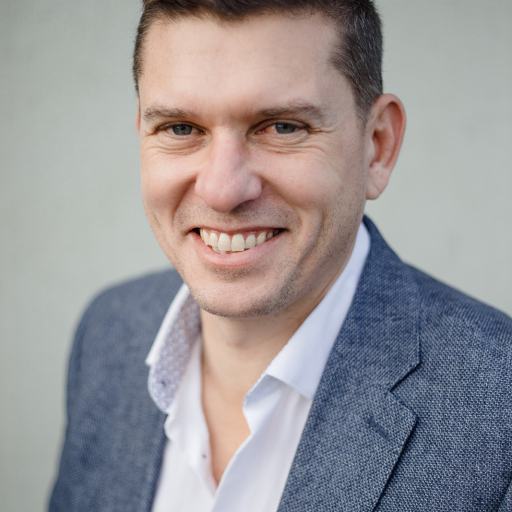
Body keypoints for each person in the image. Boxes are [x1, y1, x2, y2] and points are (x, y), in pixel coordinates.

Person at [49, 1, 512, 511]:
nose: (223, 190)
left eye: (282, 127)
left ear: (377, 146)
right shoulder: (108, 333)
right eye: (181, 128)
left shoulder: (499, 405)